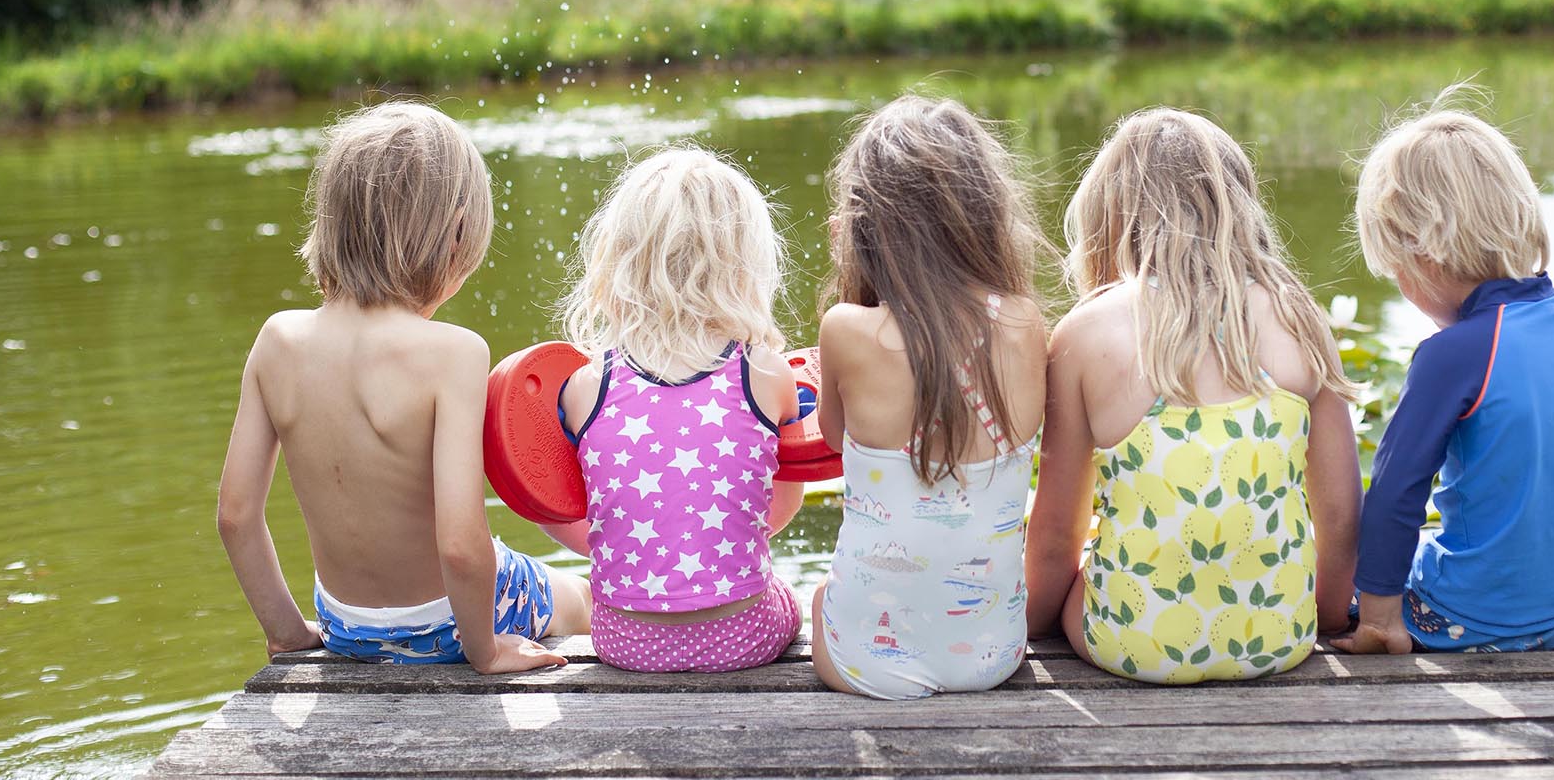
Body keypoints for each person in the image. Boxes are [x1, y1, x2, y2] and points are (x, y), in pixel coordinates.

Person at [216, 101, 586, 670]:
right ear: (457, 235)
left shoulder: (277, 341)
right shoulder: (454, 353)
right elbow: (462, 545)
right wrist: (485, 651)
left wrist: (289, 633)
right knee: (581, 598)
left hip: (346, 625)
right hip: (452, 624)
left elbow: (236, 516)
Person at [1027, 108, 1362, 682]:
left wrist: (1033, 628)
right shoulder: (1297, 314)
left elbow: (1060, 536)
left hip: (1137, 646)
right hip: (1281, 637)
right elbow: (1339, 513)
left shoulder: (1085, 334)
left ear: (1110, 217)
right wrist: (1326, 617)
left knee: (1077, 584)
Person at [1335, 103, 1554, 655]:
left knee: (1330, 579)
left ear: (1424, 254)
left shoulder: (1452, 354)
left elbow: (1396, 493)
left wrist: (1380, 617)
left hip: (1464, 617)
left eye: (1396, 273)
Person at [811, 96, 1050, 699]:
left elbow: (831, 438)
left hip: (866, 663)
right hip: (994, 656)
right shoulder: (1025, 322)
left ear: (865, 228)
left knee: (817, 598)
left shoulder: (846, 329)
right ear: (985, 214)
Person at [548, 147, 806, 671]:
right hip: (745, 638)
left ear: (619, 259)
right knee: (796, 594)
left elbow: (550, 505)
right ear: (745, 263)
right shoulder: (767, 374)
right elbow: (781, 507)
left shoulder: (586, 388)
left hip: (623, 642)